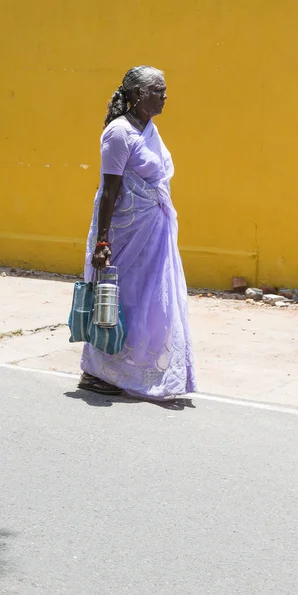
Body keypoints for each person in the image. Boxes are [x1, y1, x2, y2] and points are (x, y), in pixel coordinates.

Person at [78, 65, 196, 399]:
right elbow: (110, 191)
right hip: (124, 234)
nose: (164, 96)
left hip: (153, 232)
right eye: (156, 90)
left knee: (147, 301)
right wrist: (102, 242)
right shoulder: (119, 133)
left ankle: (130, 368)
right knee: (118, 301)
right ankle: (96, 371)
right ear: (134, 94)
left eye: (164, 90)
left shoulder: (148, 129)